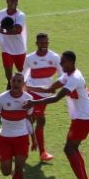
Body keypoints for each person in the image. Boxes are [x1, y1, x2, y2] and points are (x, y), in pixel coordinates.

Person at [25, 50, 89, 179]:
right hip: (82, 117)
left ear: (71, 62)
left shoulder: (74, 78)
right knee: (72, 148)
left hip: (84, 118)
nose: (61, 64)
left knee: (69, 149)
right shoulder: (68, 75)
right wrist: (29, 88)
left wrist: (33, 102)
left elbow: (56, 98)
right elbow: (50, 88)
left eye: (63, 61)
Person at [23, 31, 62, 162]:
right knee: (40, 120)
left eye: (46, 42)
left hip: (46, 95)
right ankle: (42, 152)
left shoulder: (55, 57)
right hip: (32, 93)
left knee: (31, 121)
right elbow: (23, 76)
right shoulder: (30, 58)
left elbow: (63, 76)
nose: (44, 45)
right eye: (41, 43)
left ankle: (17, 141)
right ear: (36, 44)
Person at [0, 0, 27, 86]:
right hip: (6, 49)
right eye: (12, 0)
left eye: (16, 0)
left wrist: (2, 30)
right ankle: (10, 84)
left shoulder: (20, 15)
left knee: (22, 72)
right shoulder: (0, 14)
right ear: (7, 1)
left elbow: (18, 30)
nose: (14, 2)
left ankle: (23, 88)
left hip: (19, 49)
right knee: (8, 71)